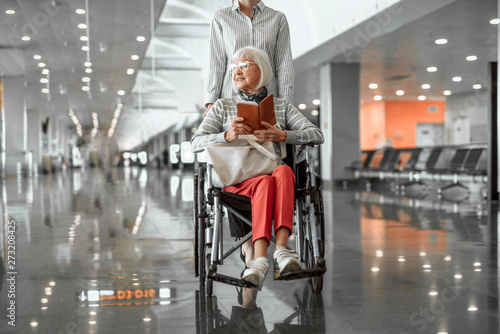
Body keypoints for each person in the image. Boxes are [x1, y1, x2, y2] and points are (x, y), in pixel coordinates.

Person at [191, 46, 323, 290]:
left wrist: (283, 135)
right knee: (266, 179)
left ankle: (281, 250)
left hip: (273, 174)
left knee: (283, 171)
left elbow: (316, 134)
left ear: (261, 70)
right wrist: (227, 135)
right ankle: (261, 255)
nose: (236, 71)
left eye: (244, 65)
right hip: (237, 179)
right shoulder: (222, 106)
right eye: (234, 67)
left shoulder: (281, 107)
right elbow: (195, 143)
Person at [205, 0, 294, 116]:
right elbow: (216, 62)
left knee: (267, 134)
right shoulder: (221, 17)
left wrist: (287, 105)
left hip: (268, 102)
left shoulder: (278, 18)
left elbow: (284, 65)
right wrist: (211, 102)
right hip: (230, 100)